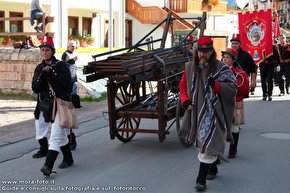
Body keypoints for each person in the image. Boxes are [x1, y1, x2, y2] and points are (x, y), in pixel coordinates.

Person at [178, 36, 237, 192]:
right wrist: (185, 101)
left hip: (214, 111)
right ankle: (212, 168)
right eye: (200, 52)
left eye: (206, 52)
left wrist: (216, 86)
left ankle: (200, 180)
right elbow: (183, 87)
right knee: (201, 143)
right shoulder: (190, 67)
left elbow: (232, 87)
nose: (202, 55)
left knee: (208, 141)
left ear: (212, 51)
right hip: (195, 110)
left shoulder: (220, 68)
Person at [31, 35, 74, 176]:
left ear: (52, 51)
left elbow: (66, 84)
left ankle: (47, 166)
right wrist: (43, 77)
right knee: (60, 136)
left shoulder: (61, 65)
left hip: (60, 106)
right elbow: (35, 88)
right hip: (45, 107)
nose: (44, 53)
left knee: (55, 136)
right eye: (42, 50)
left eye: (47, 50)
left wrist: (51, 75)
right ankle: (68, 158)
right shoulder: (39, 68)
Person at [221, 48, 249, 159]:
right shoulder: (218, 70)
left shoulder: (239, 74)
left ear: (233, 60)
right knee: (219, 128)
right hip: (221, 102)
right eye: (224, 57)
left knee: (233, 127)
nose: (225, 59)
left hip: (234, 103)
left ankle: (233, 148)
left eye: (227, 58)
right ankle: (218, 153)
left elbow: (242, 90)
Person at [61, 40, 79, 150]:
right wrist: (73, 60)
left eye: (74, 46)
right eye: (72, 46)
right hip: (68, 78)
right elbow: (65, 64)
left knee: (74, 91)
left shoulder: (72, 54)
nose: (74, 48)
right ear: (68, 46)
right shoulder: (66, 54)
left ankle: (73, 102)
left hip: (73, 77)